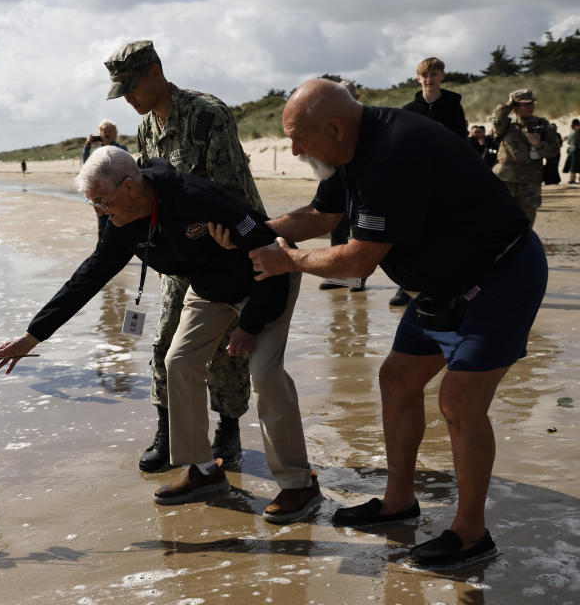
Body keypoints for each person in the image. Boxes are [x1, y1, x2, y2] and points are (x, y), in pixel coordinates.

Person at [218, 79, 545, 570]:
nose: (293, 148)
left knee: (458, 401)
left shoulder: (394, 152)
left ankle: (472, 534)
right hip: (439, 288)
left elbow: (359, 261)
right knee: (396, 380)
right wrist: (256, 231)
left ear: (333, 126)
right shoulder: (348, 146)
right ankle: (398, 502)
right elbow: (324, 213)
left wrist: (290, 262)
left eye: (299, 138)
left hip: (499, 277)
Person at [0, 146, 321, 521]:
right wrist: (33, 336)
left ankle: (299, 485)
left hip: (266, 279)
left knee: (266, 374)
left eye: (102, 201)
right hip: (211, 290)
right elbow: (89, 276)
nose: (100, 211)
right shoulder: (122, 223)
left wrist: (250, 324)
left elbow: (268, 250)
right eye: (92, 203)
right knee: (178, 361)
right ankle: (203, 471)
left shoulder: (197, 198)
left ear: (129, 187)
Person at [104, 39, 263, 472]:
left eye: (132, 87)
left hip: (228, 248)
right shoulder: (145, 129)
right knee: (165, 345)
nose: (130, 99)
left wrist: (230, 245)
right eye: (123, 93)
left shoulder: (206, 114)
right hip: (178, 249)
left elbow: (230, 192)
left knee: (228, 349)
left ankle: (227, 430)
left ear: (156, 71)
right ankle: (168, 431)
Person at [389, 57, 468, 307]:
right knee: (411, 231)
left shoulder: (454, 107)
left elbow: (460, 144)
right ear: (418, 78)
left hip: (445, 178)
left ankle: (445, 284)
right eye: (426, 75)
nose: (430, 79)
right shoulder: (409, 110)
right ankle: (407, 285)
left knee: (444, 232)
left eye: (435, 74)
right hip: (414, 179)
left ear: (443, 76)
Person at [319, 79, 365, 293]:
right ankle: (338, 276)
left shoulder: (364, 122)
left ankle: (358, 277)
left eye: (347, 95)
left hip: (358, 186)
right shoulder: (326, 121)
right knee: (337, 232)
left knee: (359, 233)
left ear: (355, 99)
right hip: (334, 183)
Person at [492, 88, 561, 226]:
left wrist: (538, 144)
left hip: (530, 182)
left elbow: (554, 150)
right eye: (526, 104)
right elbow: (497, 119)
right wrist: (509, 103)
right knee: (501, 220)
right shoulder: (506, 125)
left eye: (532, 103)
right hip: (506, 180)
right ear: (516, 106)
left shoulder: (542, 124)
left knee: (526, 223)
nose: (531, 107)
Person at [82, 119, 130, 235]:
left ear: (115, 134)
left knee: (120, 224)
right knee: (103, 226)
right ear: (100, 134)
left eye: (110, 131)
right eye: (105, 131)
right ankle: (103, 247)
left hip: (118, 192)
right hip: (102, 194)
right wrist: (87, 146)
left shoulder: (122, 148)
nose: (107, 133)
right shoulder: (96, 151)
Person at [566, 118, 580, 184]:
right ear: (576, 125)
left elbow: (568, 142)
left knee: (573, 165)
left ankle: (572, 179)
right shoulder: (576, 132)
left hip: (571, 150)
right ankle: (572, 179)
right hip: (576, 150)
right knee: (574, 166)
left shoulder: (571, 132)